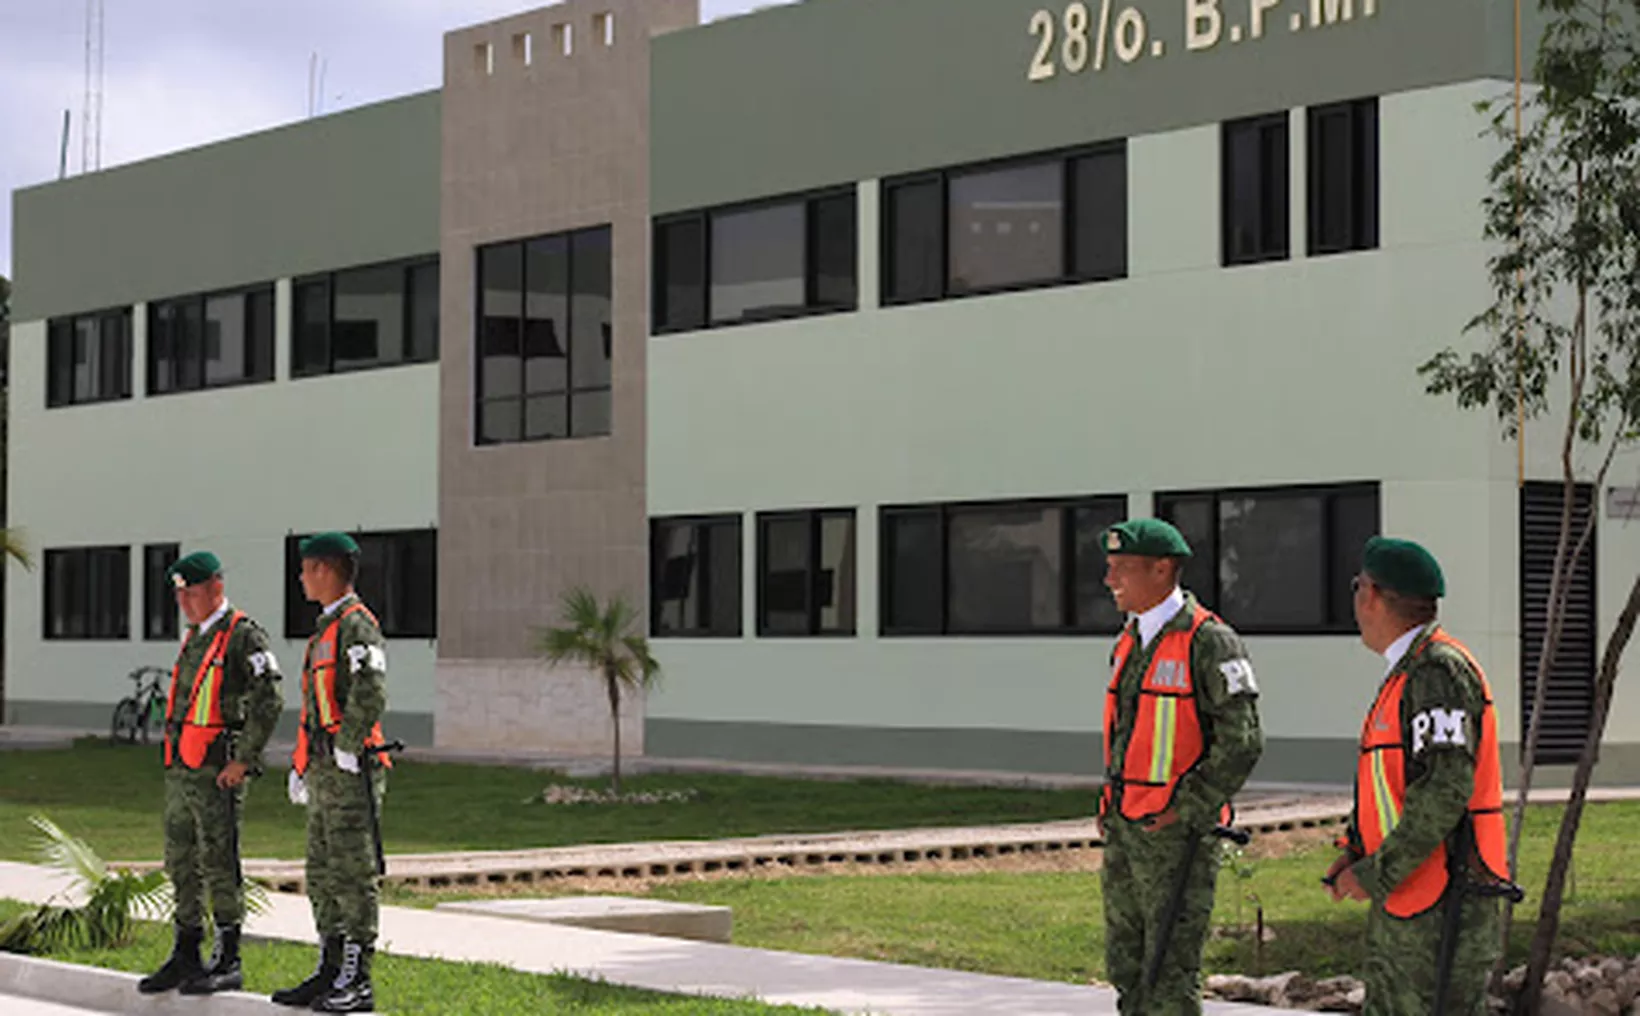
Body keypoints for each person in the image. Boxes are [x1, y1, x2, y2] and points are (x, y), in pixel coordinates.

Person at [1325, 536, 1511, 1015]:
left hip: (1444, 904)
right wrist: (1356, 852)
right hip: (1412, 896)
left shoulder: (1436, 672)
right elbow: (1391, 785)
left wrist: (1375, 873)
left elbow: (1444, 789)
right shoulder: (1409, 673)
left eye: (1356, 587)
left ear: (1371, 595)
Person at [1098, 519, 1264, 1015]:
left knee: (1170, 973)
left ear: (1161, 569)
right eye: (1109, 567)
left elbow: (1242, 742)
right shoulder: (1130, 639)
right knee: (1127, 966)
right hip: (1127, 829)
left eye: (1121, 568)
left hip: (1177, 838)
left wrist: (1187, 808)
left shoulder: (1209, 641)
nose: (1109, 580)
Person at [138, 551, 283, 996]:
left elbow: (269, 699)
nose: (184, 602)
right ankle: (186, 951)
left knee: (219, 861)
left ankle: (228, 956)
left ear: (217, 587)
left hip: (218, 773)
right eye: (179, 595)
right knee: (181, 861)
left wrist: (244, 758)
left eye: (192, 593)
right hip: (183, 771)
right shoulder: (196, 636)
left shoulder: (242, 635)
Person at [272, 532, 392, 1014]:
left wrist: (348, 745)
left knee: (352, 871)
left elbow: (371, 688)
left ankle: (358, 978)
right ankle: (331, 965)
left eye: (305, 570)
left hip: (350, 769)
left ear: (324, 569)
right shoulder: (326, 628)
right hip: (324, 770)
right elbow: (314, 709)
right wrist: (302, 765)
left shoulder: (357, 625)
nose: (300, 578)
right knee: (321, 873)